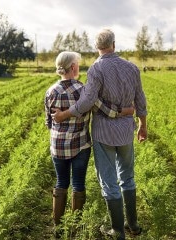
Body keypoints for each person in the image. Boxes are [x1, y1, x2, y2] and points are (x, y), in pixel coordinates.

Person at [53, 29, 147, 240]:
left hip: (104, 132)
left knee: (109, 181)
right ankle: (133, 225)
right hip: (125, 132)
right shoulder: (132, 68)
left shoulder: (96, 69)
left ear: (97, 47)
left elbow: (87, 102)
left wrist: (64, 114)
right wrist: (143, 125)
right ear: (114, 44)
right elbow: (140, 100)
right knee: (128, 178)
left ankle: (118, 232)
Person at [44, 51, 133, 236]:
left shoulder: (50, 91)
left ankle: (58, 228)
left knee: (61, 182)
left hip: (57, 146)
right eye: (78, 64)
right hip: (80, 145)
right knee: (78, 184)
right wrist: (125, 111)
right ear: (74, 67)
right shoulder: (84, 90)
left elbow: (49, 122)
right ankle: (74, 227)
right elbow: (105, 109)